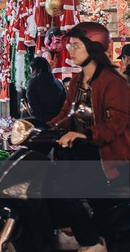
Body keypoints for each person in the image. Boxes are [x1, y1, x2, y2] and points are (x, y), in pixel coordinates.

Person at [46, 22, 130, 252]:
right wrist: (40, 128)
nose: (70, 50)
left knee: (63, 189)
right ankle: (77, 231)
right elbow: (66, 114)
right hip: (84, 153)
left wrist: (84, 133)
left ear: (92, 48)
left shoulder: (113, 83)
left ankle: (91, 243)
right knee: (46, 182)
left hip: (108, 157)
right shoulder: (77, 80)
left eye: (75, 46)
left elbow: (116, 124)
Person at [24, 56, 67, 123]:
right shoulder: (58, 82)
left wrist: (43, 118)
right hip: (57, 121)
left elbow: (32, 102)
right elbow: (64, 101)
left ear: (33, 68)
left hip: (40, 122)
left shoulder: (32, 82)